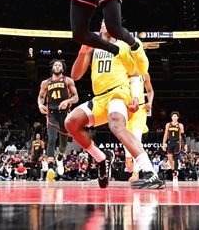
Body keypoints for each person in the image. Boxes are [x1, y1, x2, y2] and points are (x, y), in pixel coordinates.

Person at [65, 21, 165, 190]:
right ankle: (101, 158)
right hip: (100, 98)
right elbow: (75, 75)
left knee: (116, 124)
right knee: (71, 122)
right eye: (106, 22)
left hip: (120, 93)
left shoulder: (123, 45)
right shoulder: (93, 45)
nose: (109, 24)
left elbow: (134, 74)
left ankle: (150, 173)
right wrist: (83, 52)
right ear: (101, 27)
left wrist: (135, 96)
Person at [37, 58, 79, 176]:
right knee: (51, 139)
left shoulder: (68, 80)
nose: (57, 66)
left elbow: (76, 97)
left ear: (62, 68)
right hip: (52, 114)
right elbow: (40, 96)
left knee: (63, 144)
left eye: (59, 65)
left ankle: (60, 158)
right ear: (52, 68)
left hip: (65, 114)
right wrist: (40, 104)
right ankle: (50, 168)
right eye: (55, 65)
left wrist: (67, 101)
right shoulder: (45, 83)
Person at [126, 70, 154, 183]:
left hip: (140, 110)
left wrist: (150, 103)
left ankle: (136, 172)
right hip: (126, 109)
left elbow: (150, 90)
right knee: (125, 137)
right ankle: (128, 156)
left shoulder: (144, 73)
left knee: (136, 139)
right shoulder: (123, 71)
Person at [162, 112, 184, 182]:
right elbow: (165, 134)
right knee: (170, 159)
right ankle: (173, 170)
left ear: (177, 117)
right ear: (171, 117)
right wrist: (163, 143)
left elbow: (182, 135)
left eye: (176, 116)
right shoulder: (168, 124)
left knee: (175, 158)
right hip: (170, 143)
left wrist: (184, 144)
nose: (174, 117)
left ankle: (175, 173)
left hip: (177, 143)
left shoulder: (180, 125)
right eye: (173, 116)